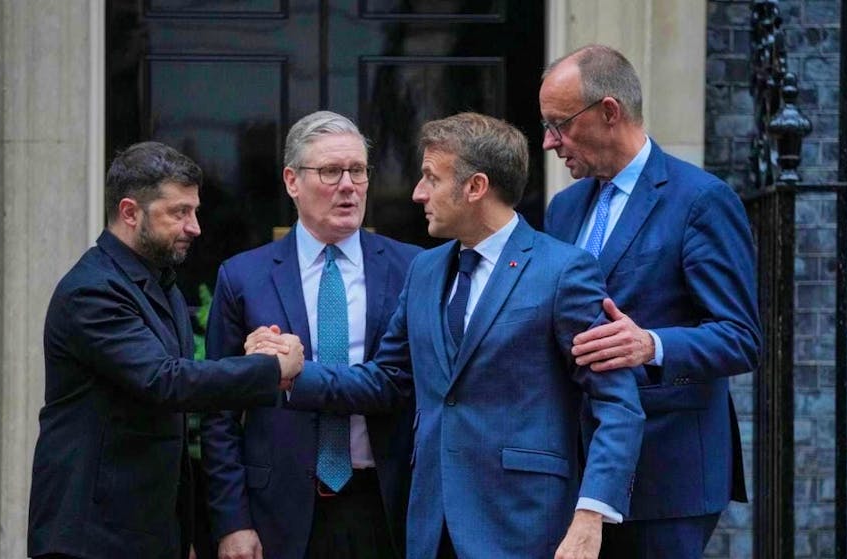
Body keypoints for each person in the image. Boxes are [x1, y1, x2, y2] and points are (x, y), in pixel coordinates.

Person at [265, 112, 644, 558]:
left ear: (475, 187)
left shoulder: (563, 271)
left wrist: (591, 513)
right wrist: (294, 373)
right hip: (431, 525)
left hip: (524, 525)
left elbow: (617, 404)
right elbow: (388, 379)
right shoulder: (424, 270)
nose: (417, 193)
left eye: (431, 178)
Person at [27, 141, 304, 559]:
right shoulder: (92, 290)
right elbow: (165, 381)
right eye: (179, 212)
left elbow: (172, 397)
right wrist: (268, 368)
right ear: (130, 212)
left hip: (145, 534)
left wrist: (178, 534)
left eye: (194, 211)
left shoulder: (161, 284)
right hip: (90, 539)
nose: (195, 227)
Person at [539, 44, 763, 558]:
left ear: (609, 111)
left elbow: (741, 338)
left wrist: (651, 345)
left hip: (668, 475)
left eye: (560, 124)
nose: (550, 142)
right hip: (579, 472)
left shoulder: (700, 200)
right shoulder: (564, 208)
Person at [200, 111, 421, 559]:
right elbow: (219, 412)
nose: (348, 186)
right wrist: (232, 522)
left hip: (386, 506)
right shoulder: (244, 277)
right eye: (331, 171)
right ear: (292, 181)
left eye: (358, 170)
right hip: (277, 509)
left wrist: (294, 375)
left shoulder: (413, 268)